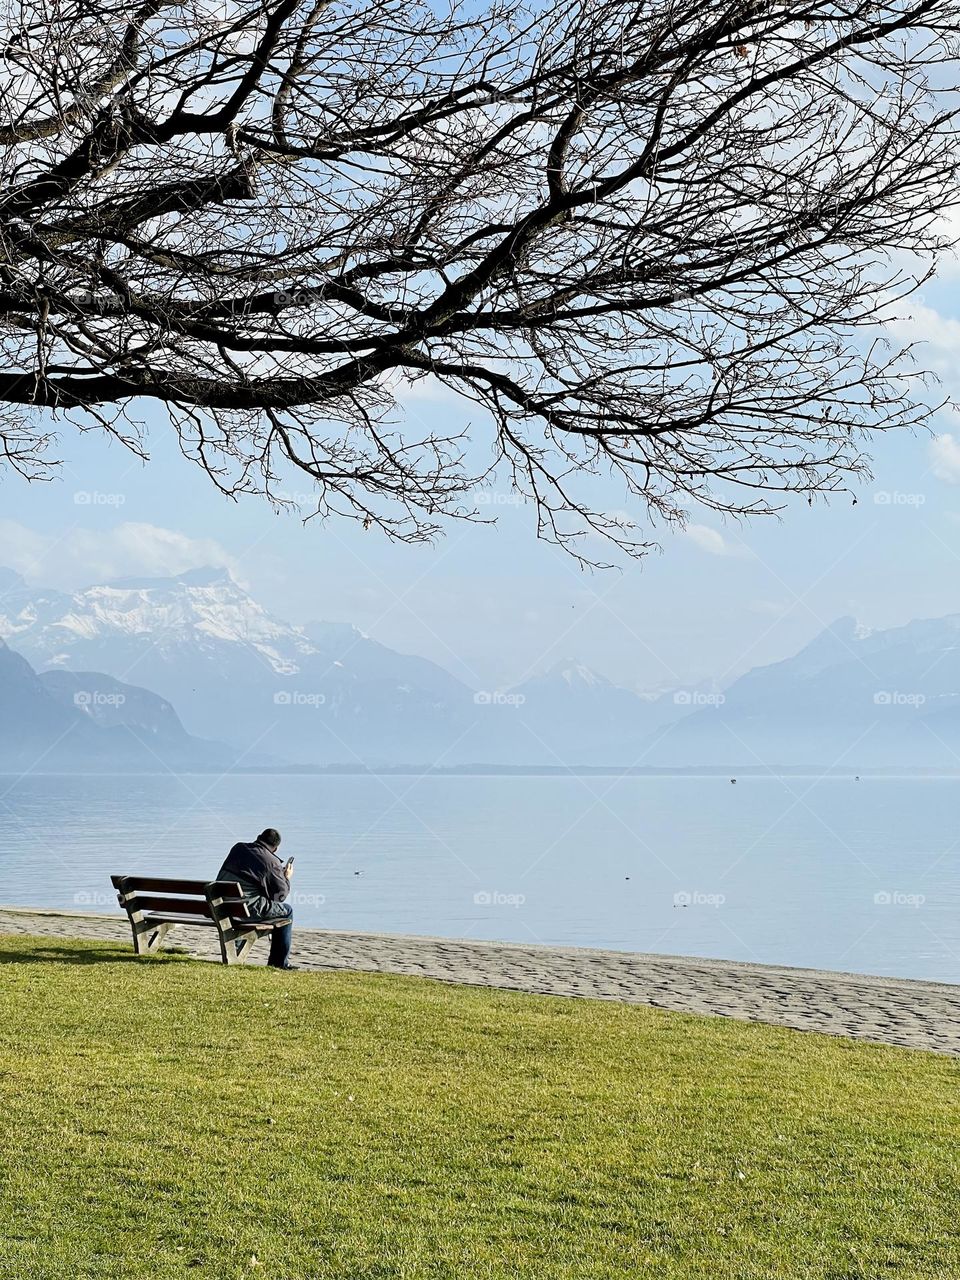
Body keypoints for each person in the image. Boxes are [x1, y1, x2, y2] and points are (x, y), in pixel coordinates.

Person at [217, 827, 296, 969]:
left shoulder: (238, 848)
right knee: (287, 912)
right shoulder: (271, 862)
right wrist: (286, 878)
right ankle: (279, 963)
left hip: (221, 906)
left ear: (258, 837)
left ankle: (236, 951)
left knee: (250, 903)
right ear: (276, 848)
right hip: (244, 910)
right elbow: (280, 895)